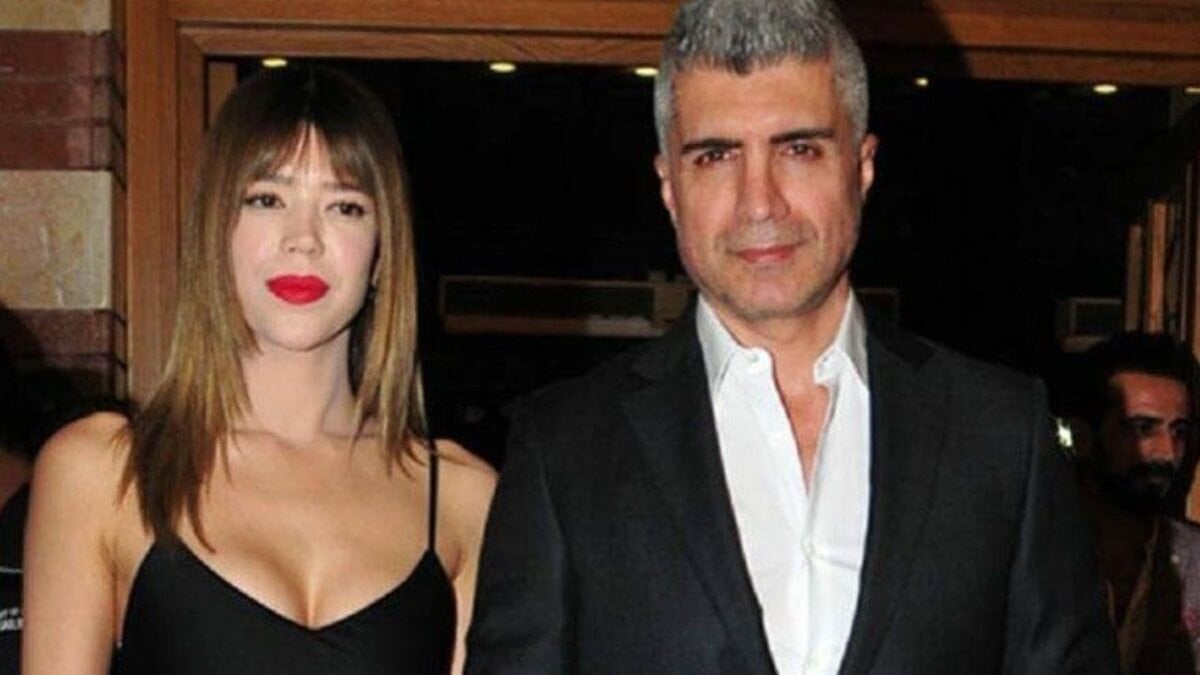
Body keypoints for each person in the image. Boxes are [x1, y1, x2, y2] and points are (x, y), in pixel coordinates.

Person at [465, 0, 1117, 672]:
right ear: (670, 187)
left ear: (862, 166)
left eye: (799, 149)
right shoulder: (566, 451)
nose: (759, 203)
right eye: (716, 156)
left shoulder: (1001, 434)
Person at [23, 66, 495, 674]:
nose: (304, 238)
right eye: (267, 199)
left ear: (382, 251)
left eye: (345, 206)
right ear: (217, 229)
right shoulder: (103, 472)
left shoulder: (462, 497)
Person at [1074, 331, 1200, 674]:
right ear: (1085, 437)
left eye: (1179, 432)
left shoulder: (1193, 560)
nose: (1167, 453)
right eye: (1143, 429)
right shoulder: (1036, 554)